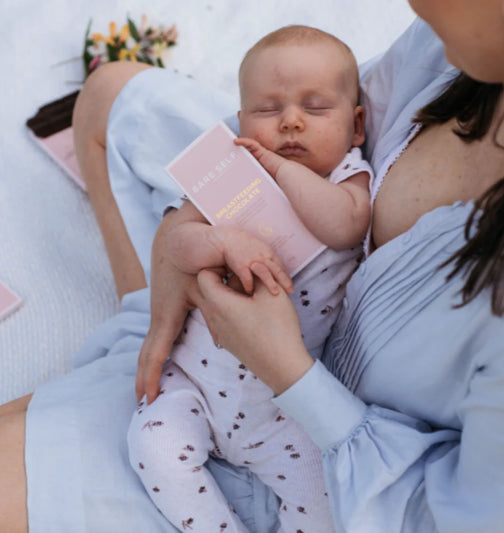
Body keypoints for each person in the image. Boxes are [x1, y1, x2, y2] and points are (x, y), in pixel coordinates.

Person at [1, 1, 504, 531]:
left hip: (316, 442)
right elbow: (314, 111)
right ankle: (145, 341)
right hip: (215, 329)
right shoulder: (459, 50)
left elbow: (448, 519)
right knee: (108, 95)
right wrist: (178, 242)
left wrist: (285, 369)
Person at [126, 25, 372, 533]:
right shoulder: (232, 170)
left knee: (326, 495)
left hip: (284, 407)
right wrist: (220, 242)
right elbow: (177, 240)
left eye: (315, 107)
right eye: (267, 110)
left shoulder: (347, 177)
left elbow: (346, 225)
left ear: (357, 125)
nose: (290, 123)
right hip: (192, 380)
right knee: (152, 444)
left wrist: (280, 173)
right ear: (240, 121)